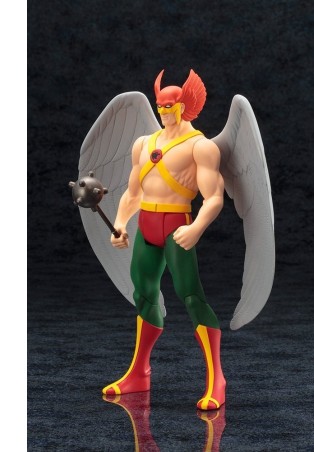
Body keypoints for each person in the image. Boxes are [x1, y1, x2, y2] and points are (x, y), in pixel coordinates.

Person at [102, 69, 226, 410]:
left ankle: (217, 379)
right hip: (147, 225)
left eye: (169, 105)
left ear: (184, 106)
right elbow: (132, 192)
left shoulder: (201, 146)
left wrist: (196, 227)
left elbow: (214, 197)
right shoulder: (143, 143)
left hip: (176, 225)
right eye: (159, 105)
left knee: (191, 296)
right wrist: (120, 223)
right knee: (143, 294)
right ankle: (138, 373)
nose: (163, 110)